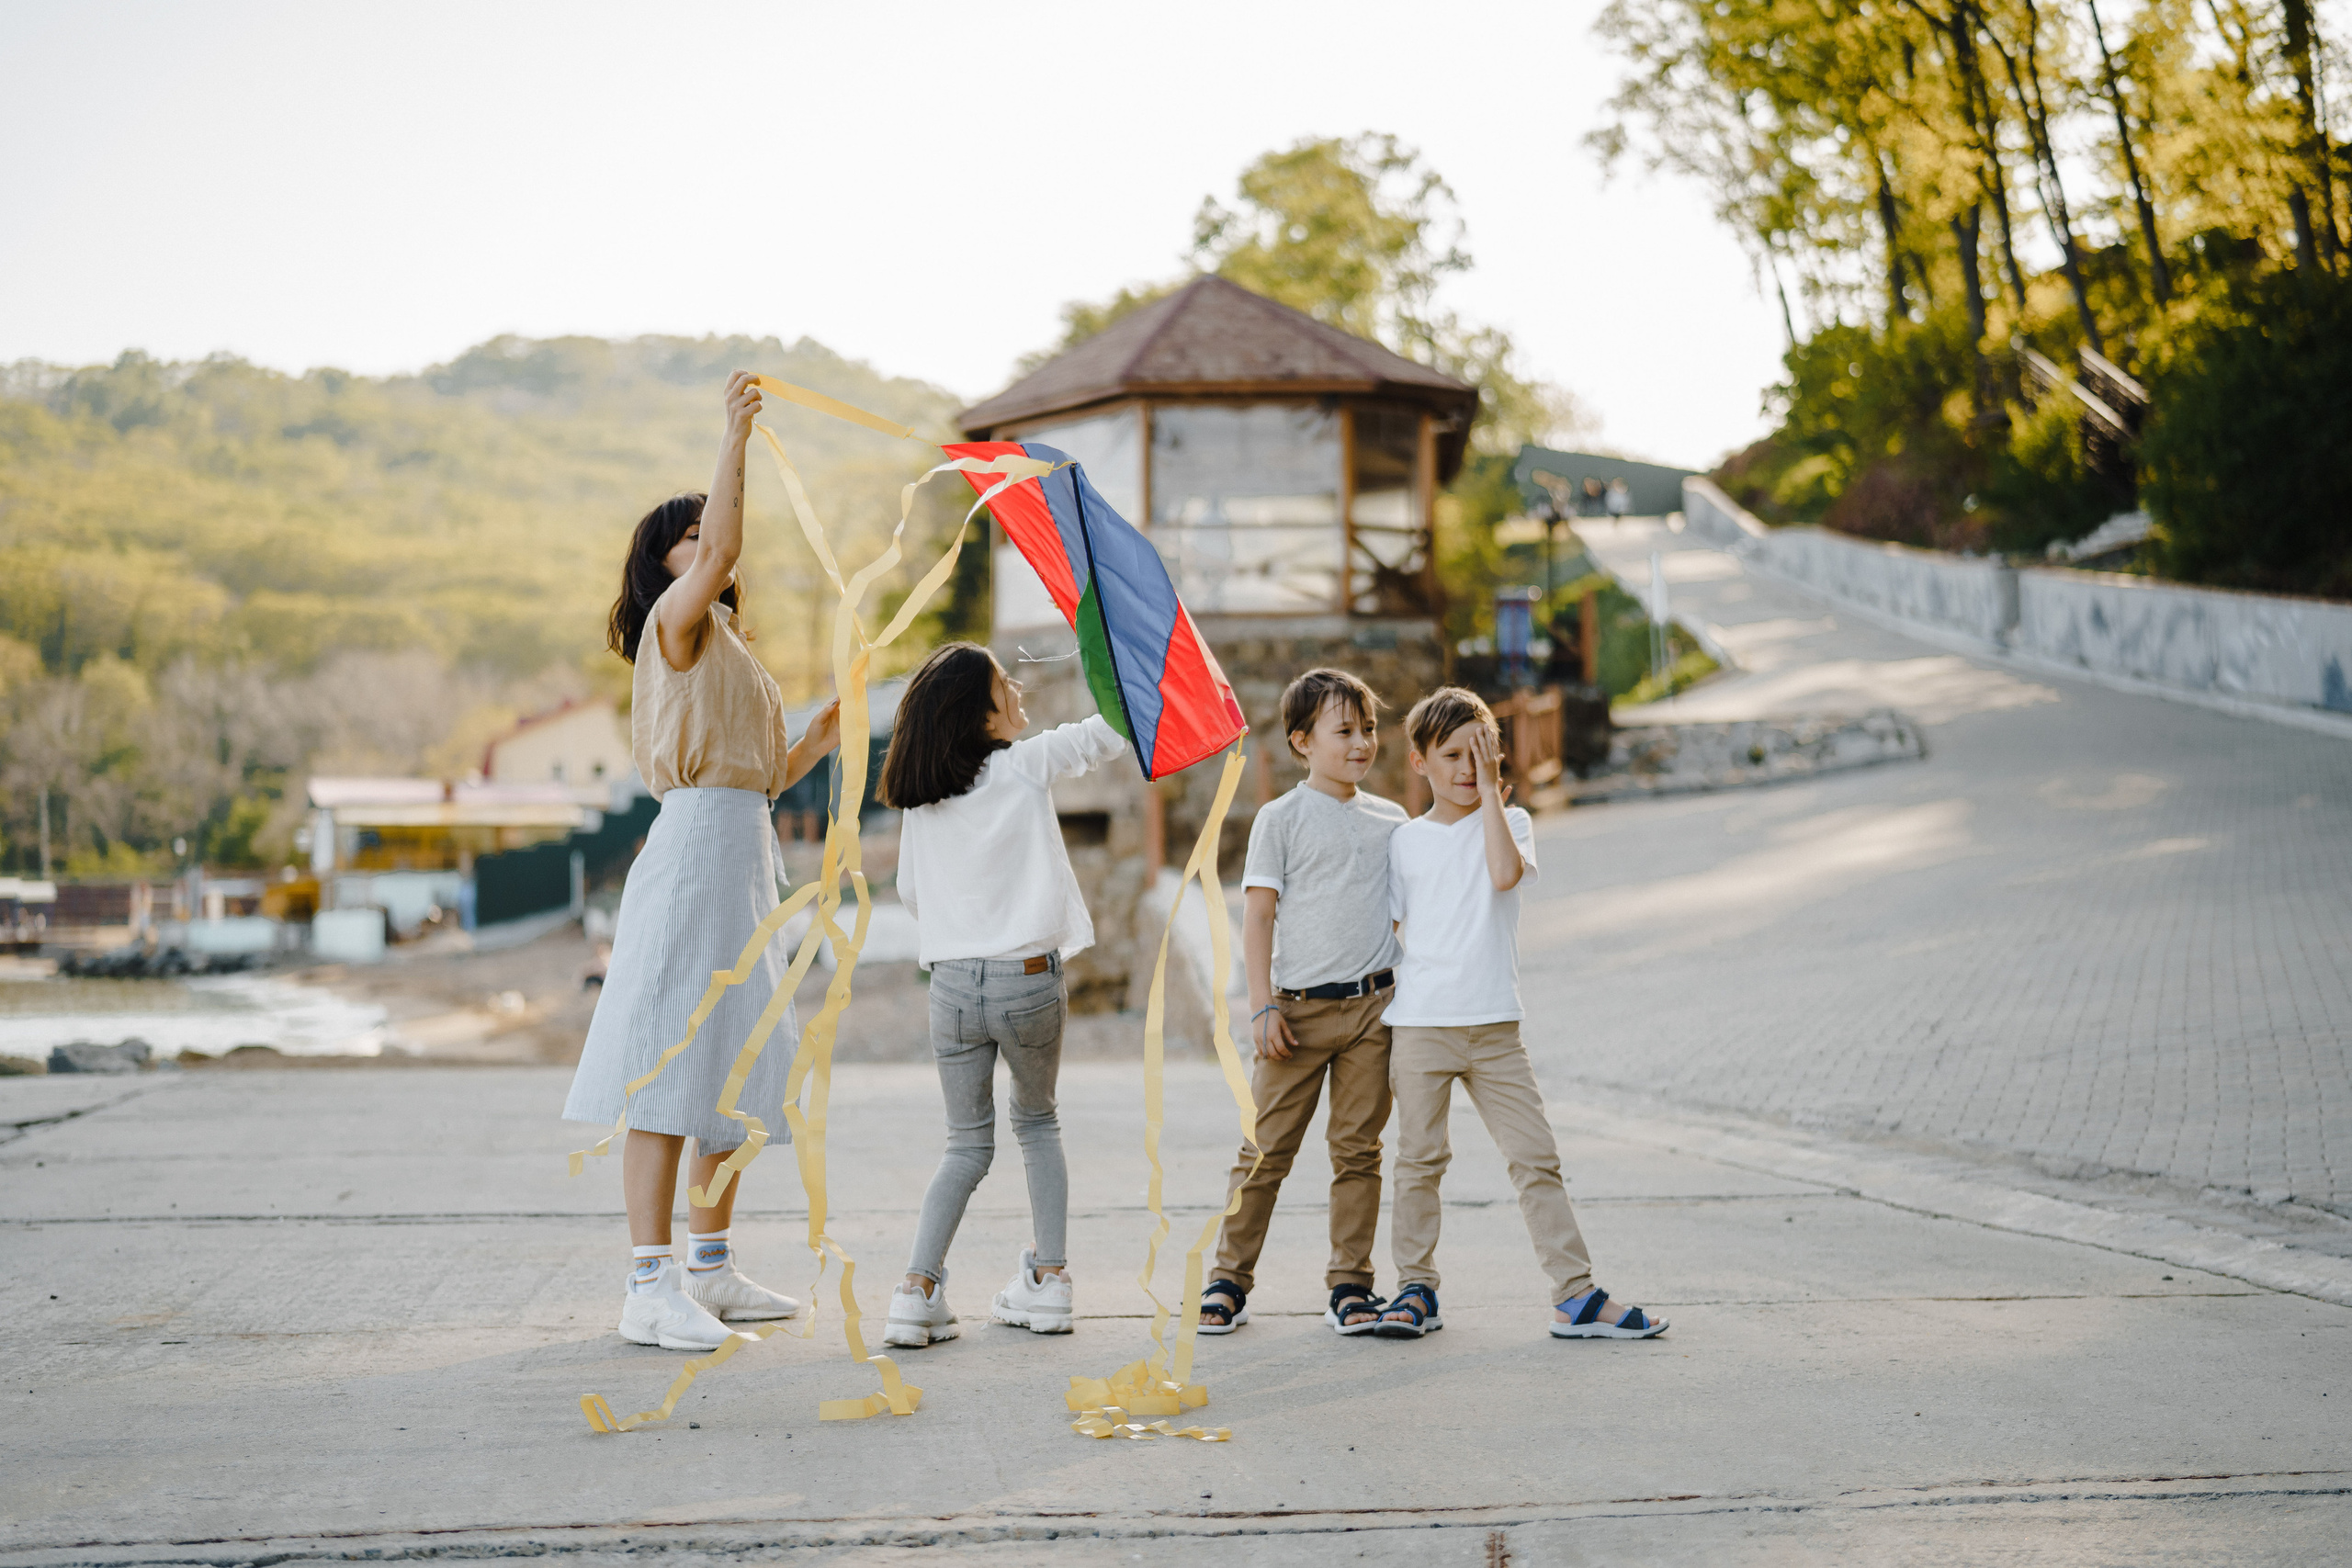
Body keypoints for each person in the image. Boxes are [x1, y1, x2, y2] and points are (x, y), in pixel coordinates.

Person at [562, 370, 843, 1353]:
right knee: (668, 1061)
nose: (708, 546)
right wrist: (733, 435)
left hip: (741, 852)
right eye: (687, 539)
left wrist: (823, 733)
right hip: (693, 857)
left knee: (733, 1058)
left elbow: (763, 777)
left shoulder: (726, 640)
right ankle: (649, 1283)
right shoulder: (674, 625)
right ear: (665, 564)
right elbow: (726, 542)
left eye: (703, 536)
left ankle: (710, 1272)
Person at [1374, 687, 1667, 1342]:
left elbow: (1504, 874)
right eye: (1452, 754)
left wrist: (1490, 800)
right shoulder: (1403, 843)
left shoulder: (1513, 823)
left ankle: (1575, 1294)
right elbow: (1392, 928)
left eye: (1482, 752)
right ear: (1419, 761)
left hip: (1496, 1027)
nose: (1467, 766)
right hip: (1421, 1026)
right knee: (1420, 1160)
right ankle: (1415, 1288)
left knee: (1536, 1157)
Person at [878, 643, 1126, 1348]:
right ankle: (1049, 1280)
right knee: (1038, 1124)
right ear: (981, 717)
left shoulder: (921, 801)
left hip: (952, 986)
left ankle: (916, 1289)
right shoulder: (1024, 767)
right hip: (1027, 983)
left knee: (964, 1145)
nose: (1017, 688)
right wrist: (1123, 652)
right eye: (1003, 684)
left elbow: (911, 895)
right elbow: (1111, 731)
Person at [1197, 668, 1404, 1338]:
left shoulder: (1391, 820)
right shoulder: (1279, 818)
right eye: (1344, 731)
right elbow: (1259, 917)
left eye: (1368, 729)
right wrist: (1262, 1006)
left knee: (1358, 1150)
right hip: (1296, 1012)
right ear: (1302, 742)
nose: (1362, 742)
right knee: (1265, 1149)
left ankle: (1350, 1283)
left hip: (1374, 1008)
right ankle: (1229, 1277)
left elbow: (1409, 915)